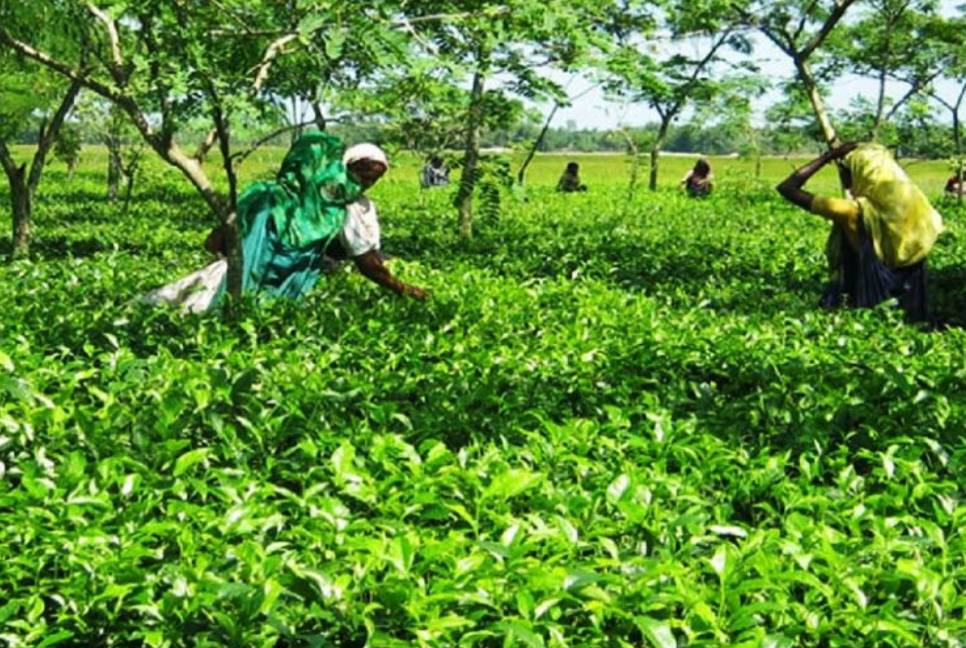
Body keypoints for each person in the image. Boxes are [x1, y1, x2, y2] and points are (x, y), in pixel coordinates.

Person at [144, 133, 426, 313]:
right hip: (272, 298)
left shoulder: (262, 194)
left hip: (226, 280)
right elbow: (367, 262)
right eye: (363, 176)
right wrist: (406, 289)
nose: (364, 185)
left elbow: (213, 242)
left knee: (166, 308)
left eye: (370, 180)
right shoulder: (339, 210)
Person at [776, 142, 943, 321]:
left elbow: (787, 188)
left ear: (863, 172)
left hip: (866, 294)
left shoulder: (852, 212)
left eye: (847, 170)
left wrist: (827, 157)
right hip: (909, 295)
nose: (844, 176)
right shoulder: (919, 206)